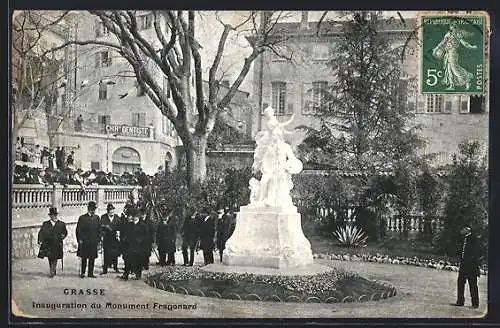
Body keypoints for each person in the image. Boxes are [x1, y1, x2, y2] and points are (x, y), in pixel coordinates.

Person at [432, 23, 478, 91]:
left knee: (455, 69)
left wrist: (472, 47)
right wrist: (436, 49)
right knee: (449, 70)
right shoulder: (448, 34)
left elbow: (464, 43)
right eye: (452, 26)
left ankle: (467, 81)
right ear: (450, 27)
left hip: (453, 53)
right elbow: (442, 43)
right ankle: (451, 85)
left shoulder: (458, 34)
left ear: (456, 27)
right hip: (447, 53)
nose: (453, 27)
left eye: (454, 26)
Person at [452, 225, 482, 309]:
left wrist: (474, 263)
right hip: (464, 265)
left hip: (471, 266)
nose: (461, 231)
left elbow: (478, 252)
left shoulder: (474, 239)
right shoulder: (463, 238)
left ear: (467, 229)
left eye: (462, 229)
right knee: (460, 282)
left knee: (472, 284)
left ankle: (475, 303)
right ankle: (460, 301)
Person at [37, 207, 68, 277]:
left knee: (55, 257)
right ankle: (52, 269)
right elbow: (41, 233)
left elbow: (65, 232)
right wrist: (40, 240)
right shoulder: (46, 224)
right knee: (50, 258)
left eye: (55, 215)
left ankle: (52, 270)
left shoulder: (61, 224)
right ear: (50, 216)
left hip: (57, 244)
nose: (54, 216)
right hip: (48, 244)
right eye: (52, 215)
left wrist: (63, 236)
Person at [120, 207, 148, 280]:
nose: (134, 217)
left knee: (138, 261)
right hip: (130, 246)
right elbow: (126, 234)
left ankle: (138, 274)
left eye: (136, 216)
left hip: (139, 246)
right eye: (133, 216)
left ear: (138, 216)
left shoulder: (143, 226)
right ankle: (126, 274)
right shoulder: (129, 225)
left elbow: (145, 236)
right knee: (128, 260)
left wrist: (140, 241)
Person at [76, 201, 101, 278]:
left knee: (92, 258)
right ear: (88, 209)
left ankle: (90, 273)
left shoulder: (97, 218)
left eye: (94, 209)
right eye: (91, 209)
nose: (93, 211)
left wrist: (99, 240)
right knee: (84, 257)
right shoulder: (82, 218)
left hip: (93, 241)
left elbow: (99, 230)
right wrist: (79, 239)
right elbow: (78, 230)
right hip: (85, 241)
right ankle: (83, 273)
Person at [100, 203, 121, 274]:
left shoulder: (117, 217)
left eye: (112, 210)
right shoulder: (104, 217)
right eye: (110, 211)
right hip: (107, 238)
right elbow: (101, 227)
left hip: (115, 238)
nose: (111, 212)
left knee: (115, 253)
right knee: (106, 253)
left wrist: (118, 233)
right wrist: (104, 230)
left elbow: (119, 227)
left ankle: (115, 267)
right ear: (107, 211)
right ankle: (105, 269)